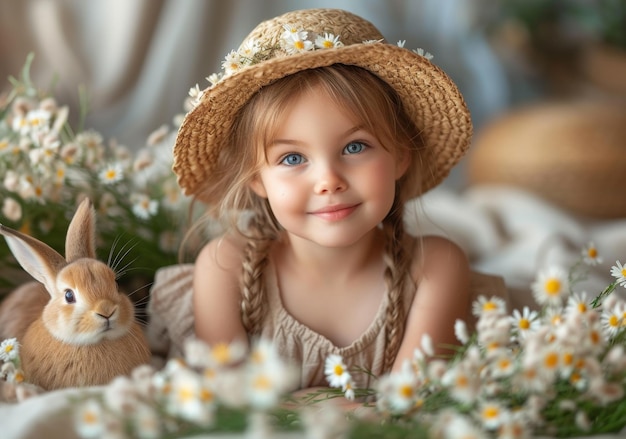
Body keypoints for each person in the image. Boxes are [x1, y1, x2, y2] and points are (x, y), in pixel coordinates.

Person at [150, 8, 501, 393]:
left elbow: (408, 407)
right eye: (292, 158)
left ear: (401, 155)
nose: (329, 181)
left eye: (355, 146)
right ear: (256, 178)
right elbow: (229, 405)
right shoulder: (224, 268)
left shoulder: (434, 268)